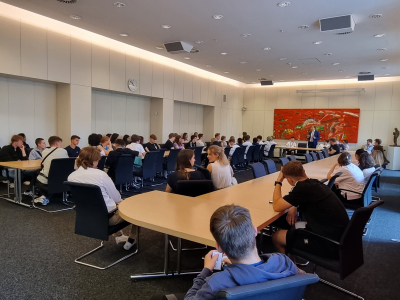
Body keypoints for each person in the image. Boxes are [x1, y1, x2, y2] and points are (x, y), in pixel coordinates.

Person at [151, 205, 299, 300]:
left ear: (219, 247)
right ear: (255, 231)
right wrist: (242, 268)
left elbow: (190, 298)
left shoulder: (216, 283)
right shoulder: (283, 261)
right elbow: (304, 277)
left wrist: (206, 270)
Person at [272, 161, 349, 259]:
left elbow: (276, 205)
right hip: (340, 236)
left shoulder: (302, 188)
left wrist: (279, 181)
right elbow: (301, 197)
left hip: (329, 244)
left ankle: (288, 270)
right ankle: (292, 261)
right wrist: (293, 206)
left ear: (290, 180)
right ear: (304, 171)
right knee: (295, 225)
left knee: (276, 236)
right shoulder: (313, 183)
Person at [68, 147, 138, 250]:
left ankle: (119, 236)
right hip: (108, 218)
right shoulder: (101, 175)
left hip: (86, 216)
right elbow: (116, 197)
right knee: (136, 208)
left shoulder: (71, 176)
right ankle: (132, 239)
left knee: (111, 205)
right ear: (95, 161)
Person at [35, 136, 69, 205]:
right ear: (56, 143)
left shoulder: (44, 151)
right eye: (60, 143)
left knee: (37, 174)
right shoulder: (63, 151)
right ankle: (46, 196)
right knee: (53, 178)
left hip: (47, 181)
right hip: (61, 181)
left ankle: (40, 195)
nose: (61, 145)